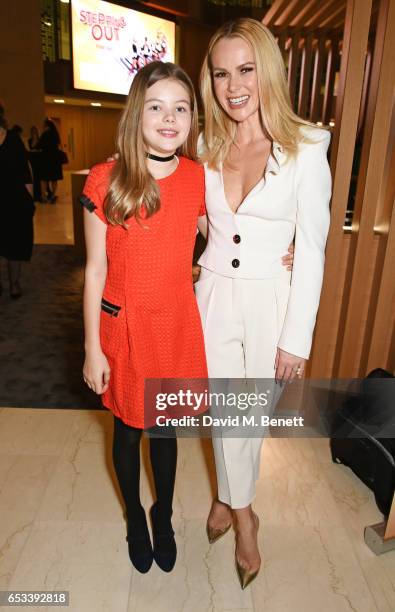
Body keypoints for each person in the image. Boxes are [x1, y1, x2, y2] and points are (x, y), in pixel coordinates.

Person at [195, 18, 332, 589]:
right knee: (223, 416)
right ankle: (240, 510)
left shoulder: (306, 146)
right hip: (211, 295)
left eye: (246, 69)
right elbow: (198, 221)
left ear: (267, 70)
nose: (234, 86)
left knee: (246, 418)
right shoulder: (204, 144)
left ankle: (236, 509)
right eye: (222, 72)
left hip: (272, 302)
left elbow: (315, 246)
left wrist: (295, 338)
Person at [81, 62, 209, 575]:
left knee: (165, 431)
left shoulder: (199, 177)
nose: (169, 117)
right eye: (156, 106)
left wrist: (280, 254)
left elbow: (225, 240)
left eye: (180, 108)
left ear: (191, 119)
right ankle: (134, 514)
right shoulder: (105, 179)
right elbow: (93, 271)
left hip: (175, 326)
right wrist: (92, 347)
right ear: (137, 114)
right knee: (129, 430)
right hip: (125, 328)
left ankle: (163, 515)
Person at [0, 110, 34, 298]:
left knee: (15, 245)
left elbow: (25, 172)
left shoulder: (13, 139)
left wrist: (30, 201)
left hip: (15, 203)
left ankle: (14, 284)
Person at [38, 118, 63, 203]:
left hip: (45, 159)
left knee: (44, 179)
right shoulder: (55, 134)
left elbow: (39, 145)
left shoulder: (45, 134)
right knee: (54, 179)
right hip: (55, 160)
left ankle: (43, 197)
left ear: (46, 125)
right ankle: (52, 196)